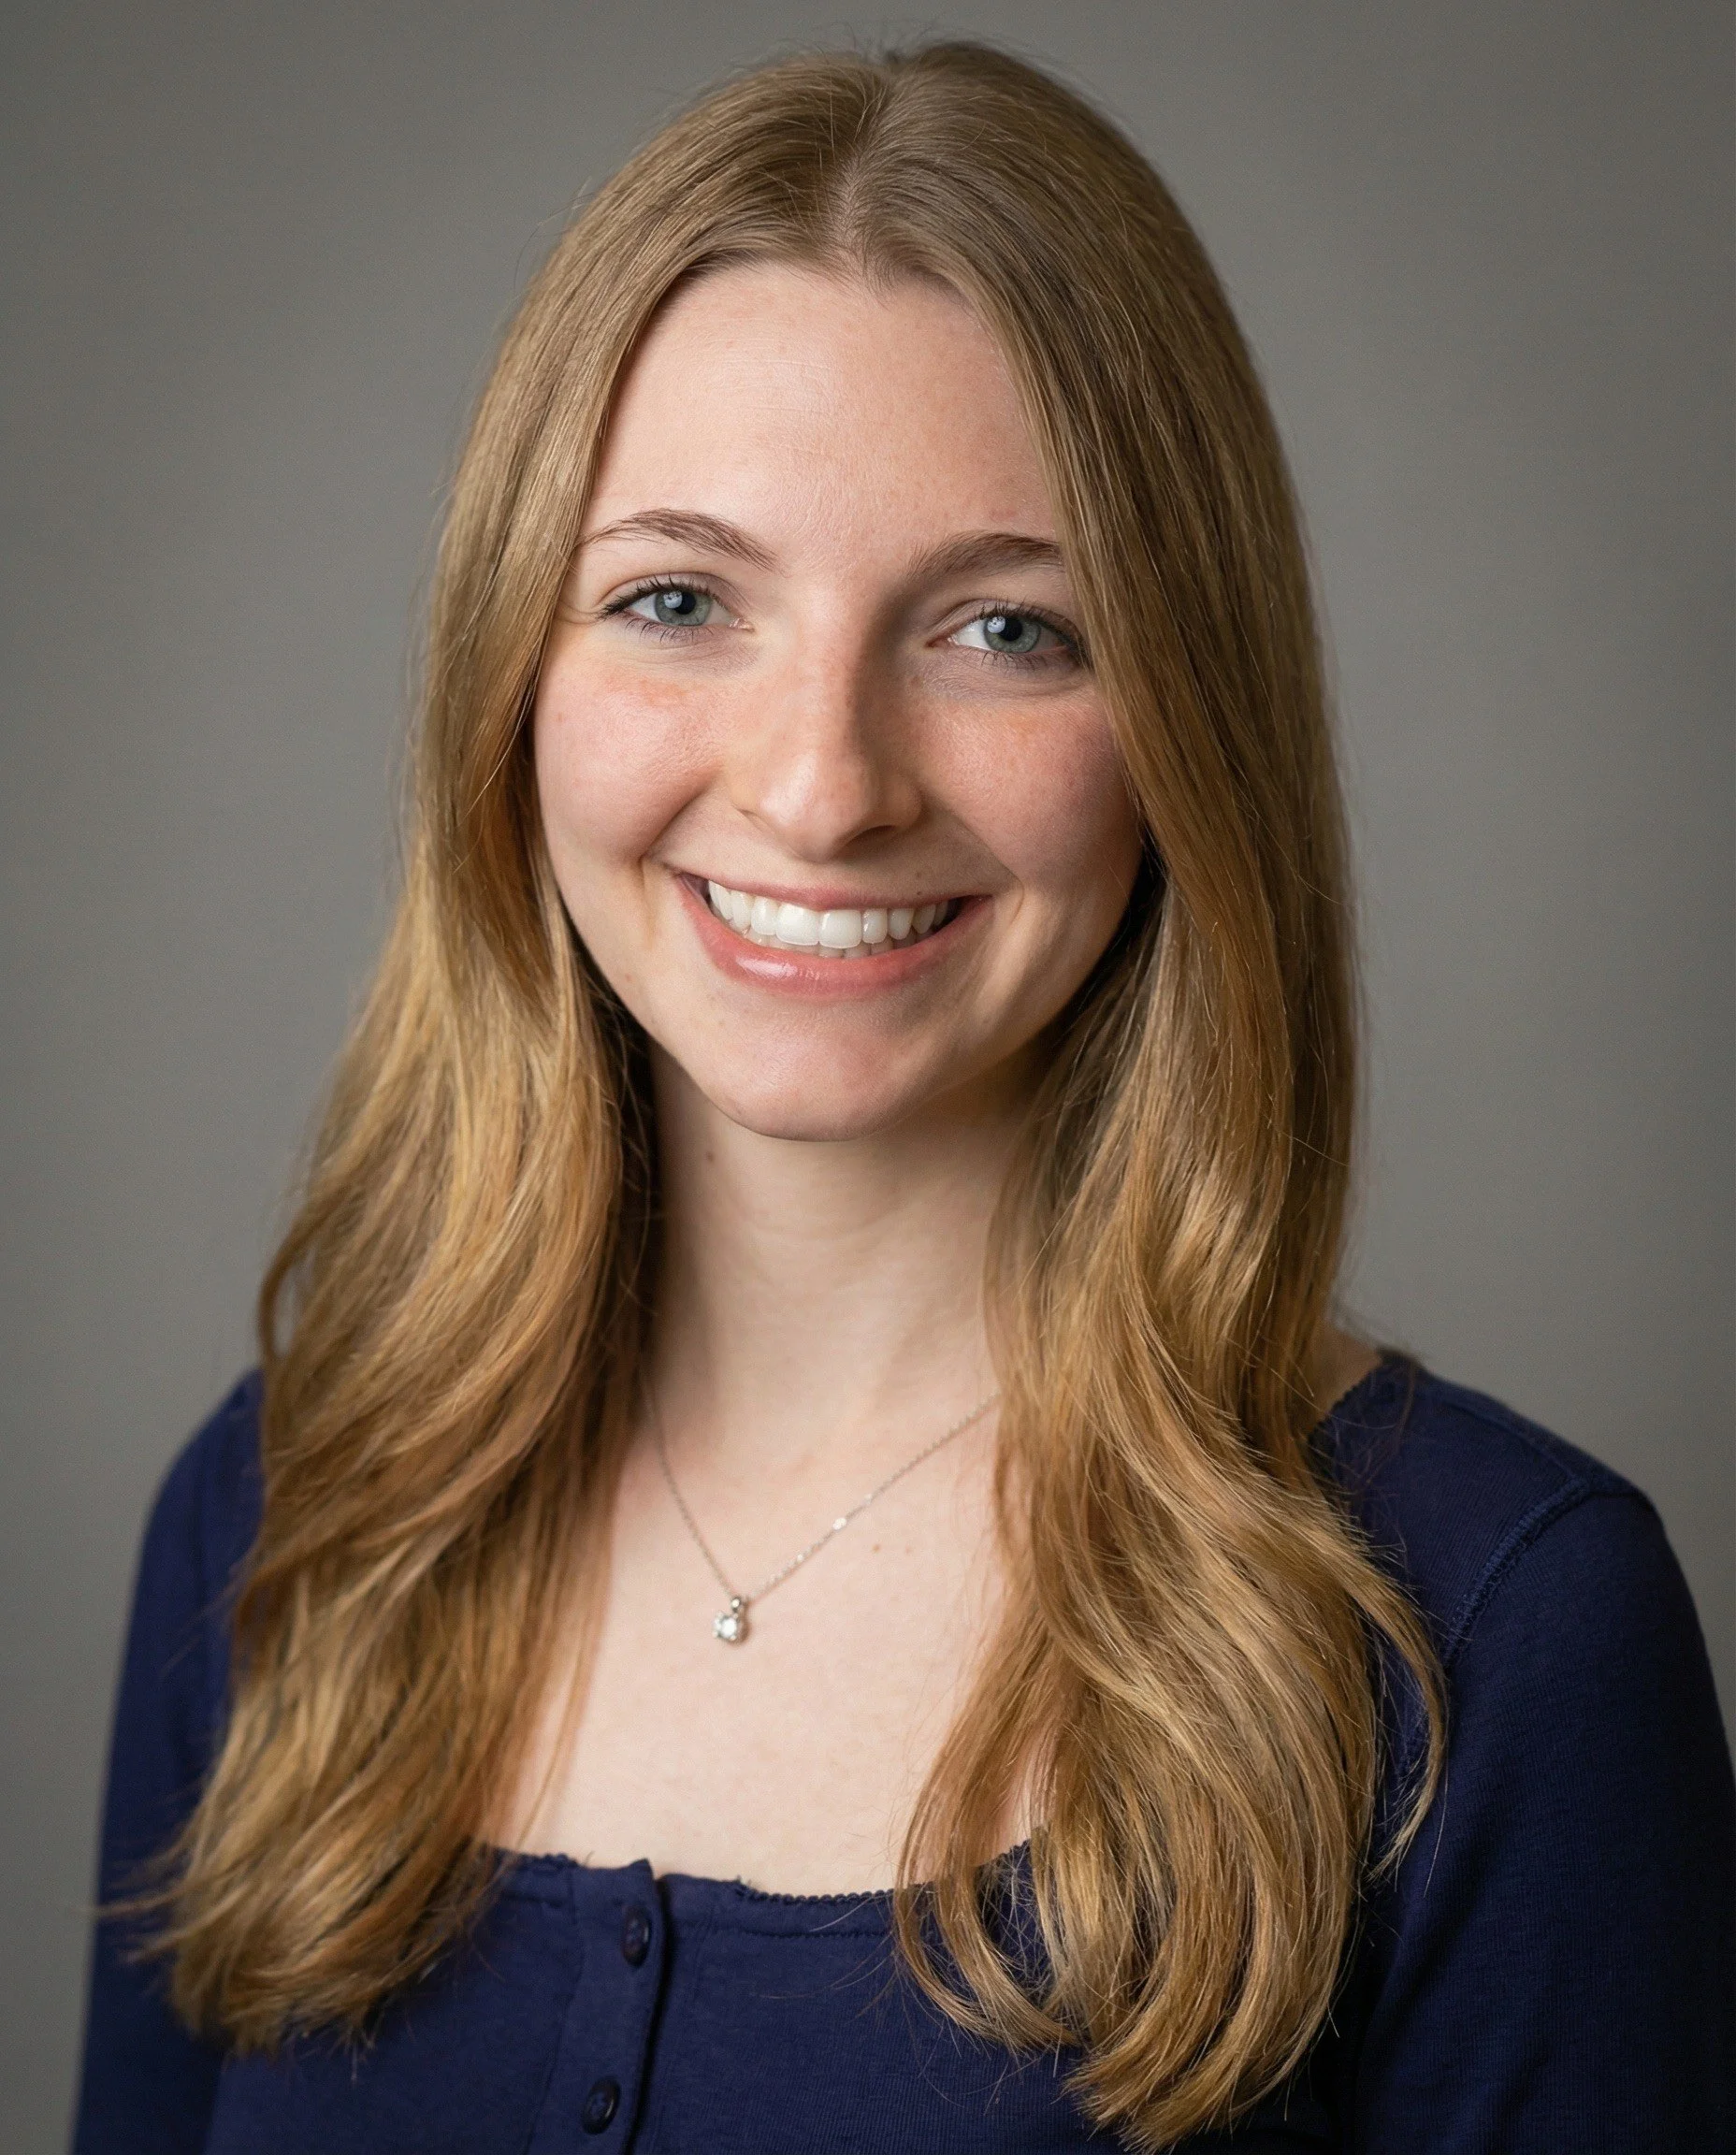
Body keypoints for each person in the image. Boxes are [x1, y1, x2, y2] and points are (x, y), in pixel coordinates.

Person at [72, 42, 1731, 2154]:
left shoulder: (1494, 1646)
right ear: (510, 673)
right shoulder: (292, 1518)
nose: (821, 787)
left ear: (1183, 728)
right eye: (677, 601)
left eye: (1001, 629)